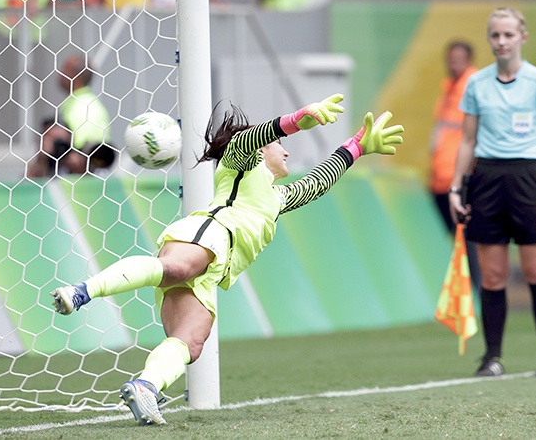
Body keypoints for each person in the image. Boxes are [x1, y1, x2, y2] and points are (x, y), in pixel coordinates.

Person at [49, 93, 404, 425]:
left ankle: (146, 388)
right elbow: (246, 140)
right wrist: (294, 121)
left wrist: (355, 147)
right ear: (263, 148)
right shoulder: (238, 166)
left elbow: (317, 182)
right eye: (281, 145)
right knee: (176, 269)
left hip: (216, 270)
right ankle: (82, 291)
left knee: (192, 341)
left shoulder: (277, 196)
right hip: (207, 234)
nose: (287, 154)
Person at [448, 7, 536, 377]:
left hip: (530, 177)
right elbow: (466, 140)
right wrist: (455, 188)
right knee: (494, 275)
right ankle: (492, 357)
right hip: (487, 179)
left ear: (522, 37)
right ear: (489, 38)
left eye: (508, 35)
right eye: (495, 35)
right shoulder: (477, 84)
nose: (501, 41)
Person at [429, 41, 481, 293]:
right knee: (453, 236)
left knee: (465, 235)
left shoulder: (474, 86)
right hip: (442, 175)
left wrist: (468, 173)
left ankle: (475, 290)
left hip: (459, 176)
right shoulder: (449, 88)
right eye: (451, 58)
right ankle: (459, 290)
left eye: (459, 58)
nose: (453, 63)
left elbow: (476, 134)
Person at [28, 54, 114, 178]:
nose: (59, 75)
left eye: (63, 70)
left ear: (75, 75)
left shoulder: (84, 107)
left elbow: (86, 152)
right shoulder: (82, 103)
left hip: (79, 180)